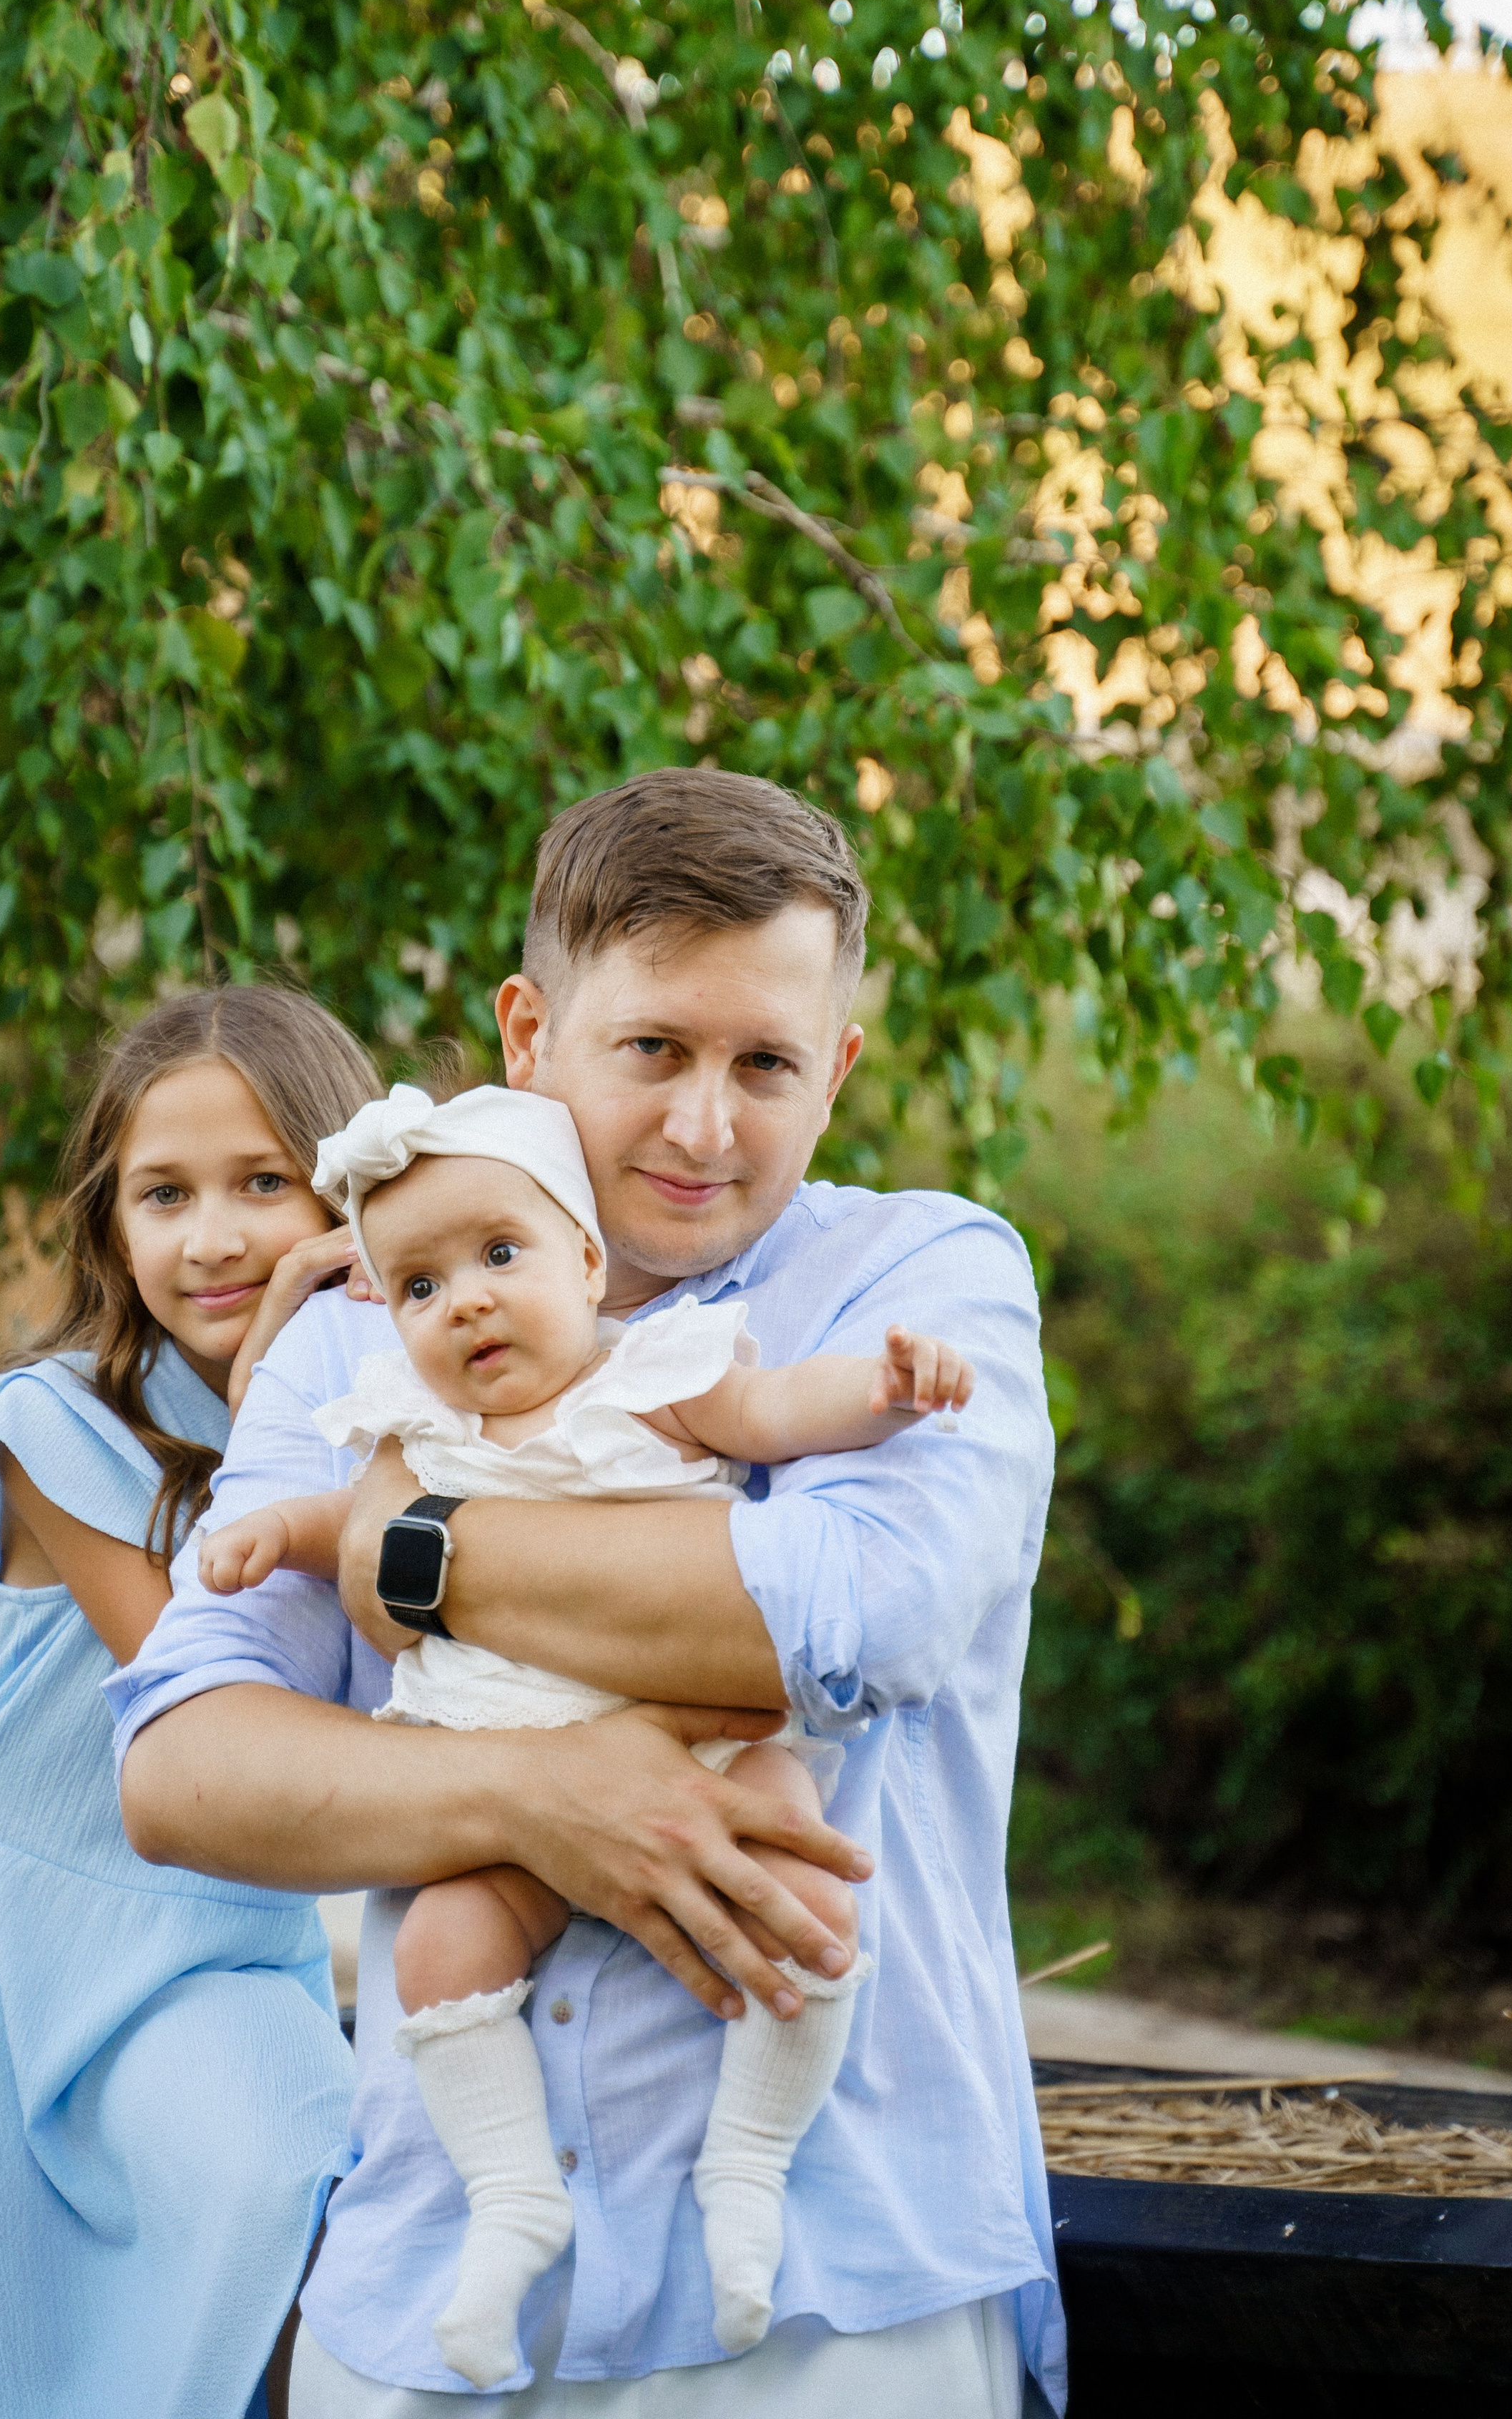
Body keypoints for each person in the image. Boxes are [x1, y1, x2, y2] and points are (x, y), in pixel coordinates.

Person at [112, 768, 1066, 2418]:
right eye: (652, 1052)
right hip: (431, 2308)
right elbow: (186, 1769)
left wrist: (395, 1549)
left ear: (832, 1070)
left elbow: (844, 1615)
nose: (706, 1126)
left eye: (764, 1063)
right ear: (526, 1033)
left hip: (828, 2313)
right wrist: (537, 1798)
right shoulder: (352, 1330)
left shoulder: (921, 1282)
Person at [200, 1079, 973, 2384]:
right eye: (424, 1287)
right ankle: (512, 2198)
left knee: (804, 1874)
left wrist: (890, 1389)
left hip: (704, 1747)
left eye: (501, 1256)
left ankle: (749, 2165)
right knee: (442, 1946)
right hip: (504, 1746)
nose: (471, 1303)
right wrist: (270, 1532)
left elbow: (785, 1414)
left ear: (586, 1259)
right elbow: (348, 1530)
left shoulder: (661, 1376)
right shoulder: (416, 1428)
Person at [0, 987, 377, 2419]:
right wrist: (266, 1386)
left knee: (312, 2195)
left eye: (261, 1183)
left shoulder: (390, 1417)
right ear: (110, 1226)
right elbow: (205, 1700)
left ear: (346, 1188)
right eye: (161, 1194)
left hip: (223, 1943)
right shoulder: (49, 1425)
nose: (213, 1236)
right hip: (26, 1931)